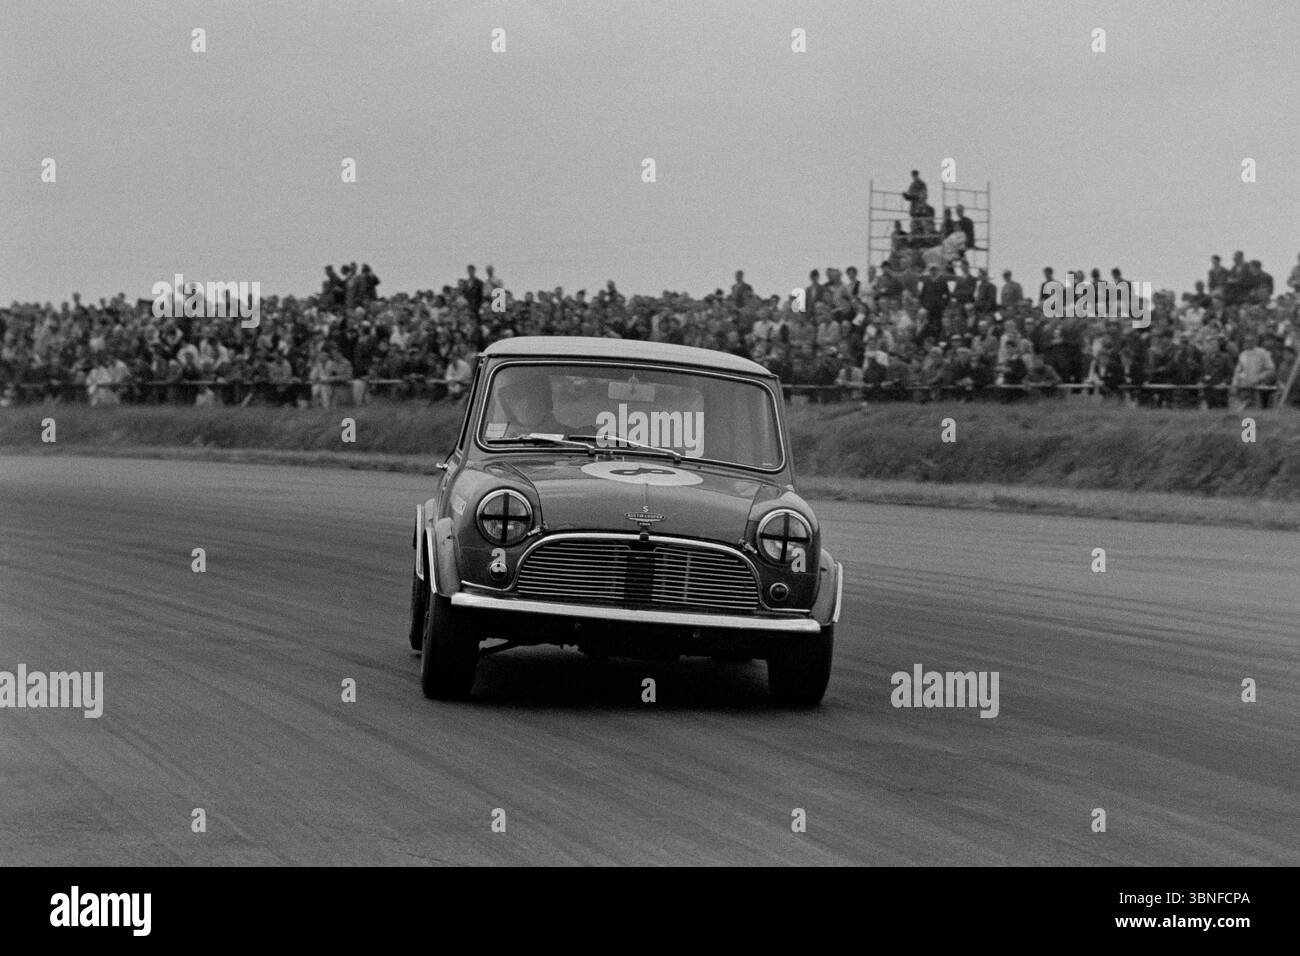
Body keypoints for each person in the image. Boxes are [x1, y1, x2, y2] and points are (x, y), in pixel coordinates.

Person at [495, 366, 569, 437]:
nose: (526, 404)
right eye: (516, 396)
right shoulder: (497, 443)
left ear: (546, 401)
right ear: (507, 408)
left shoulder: (574, 438)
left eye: (532, 393)